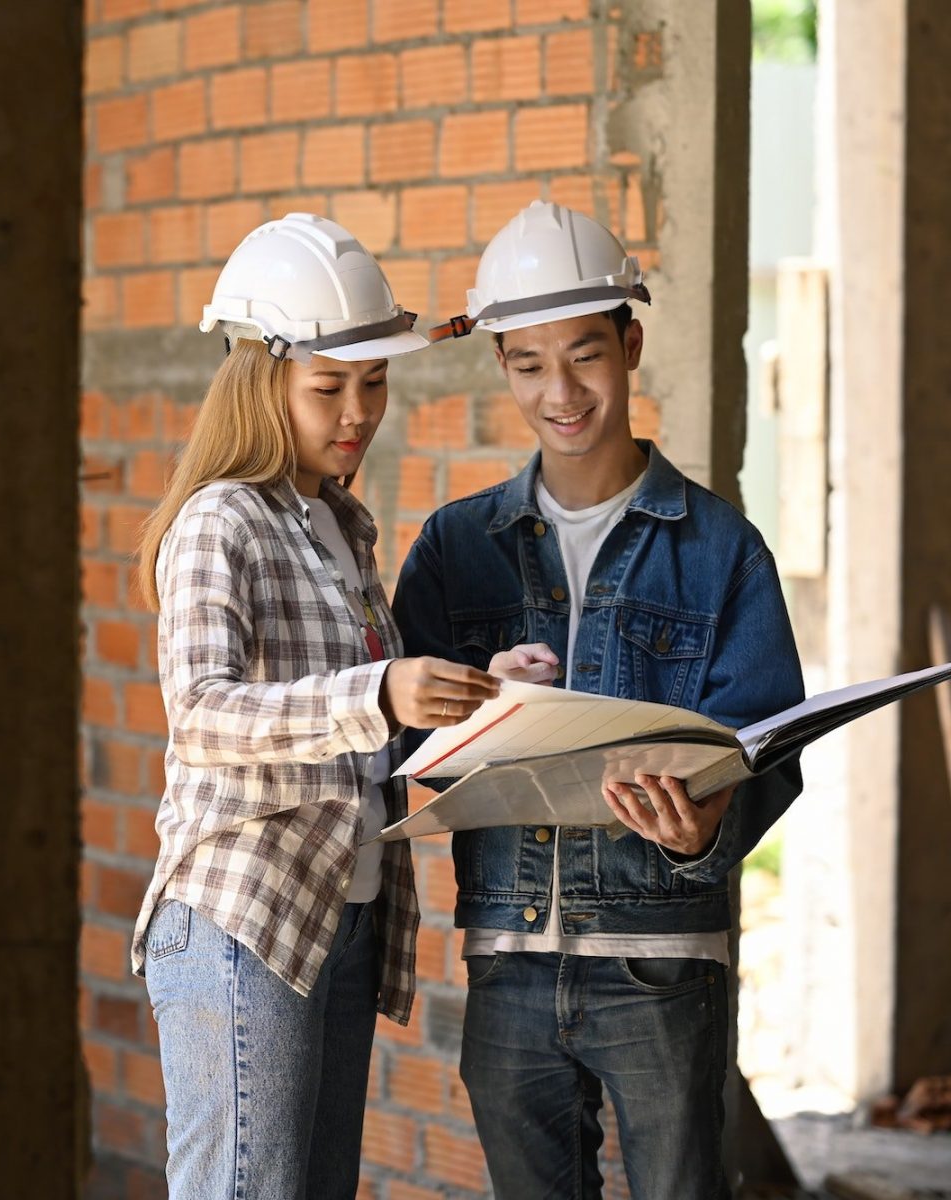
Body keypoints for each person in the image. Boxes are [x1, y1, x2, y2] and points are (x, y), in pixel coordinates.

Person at [393, 199, 805, 1200]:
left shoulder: (718, 549)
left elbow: (771, 749)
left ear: (629, 343)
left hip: (662, 963)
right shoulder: (456, 548)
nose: (559, 391)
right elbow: (397, 731)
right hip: (506, 959)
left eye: (584, 355)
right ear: (502, 368)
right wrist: (465, 712)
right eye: (527, 363)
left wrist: (698, 829)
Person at [130, 213, 510, 1199]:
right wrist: (377, 690)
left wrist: (486, 691)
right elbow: (204, 715)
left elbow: (368, 731)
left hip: (340, 914)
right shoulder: (221, 518)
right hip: (239, 921)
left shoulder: (340, 521)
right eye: (329, 386)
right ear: (262, 378)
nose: (357, 411)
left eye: (374, 382)